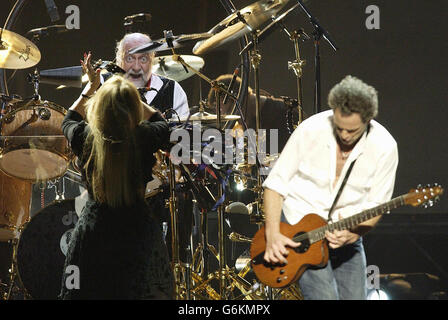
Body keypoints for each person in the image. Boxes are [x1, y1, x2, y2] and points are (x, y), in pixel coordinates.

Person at [262, 75, 399, 300]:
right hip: (300, 230)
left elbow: (377, 205)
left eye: (352, 131)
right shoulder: (310, 130)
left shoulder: (384, 147)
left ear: (368, 120)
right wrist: (273, 233)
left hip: (347, 235)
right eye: (339, 128)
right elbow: (275, 185)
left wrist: (354, 234)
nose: (344, 135)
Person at [59, 53, 173, 299]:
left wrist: (92, 87)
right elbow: (163, 124)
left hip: (94, 233)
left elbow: (68, 120)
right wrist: (128, 96)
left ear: (98, 107)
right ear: (134, 108)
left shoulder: (85, 137)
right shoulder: (144, 136)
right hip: (138, 232)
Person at [206, 74, 302, 153]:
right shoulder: (241, 128)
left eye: (230, 111)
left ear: (235, 99)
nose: (237, 121)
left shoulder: (285, 112)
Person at [113, 32, 190, 119]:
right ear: (119, 60)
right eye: (129, 58)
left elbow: (182, 130)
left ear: (152, 59)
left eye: (143, 59)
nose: (136, 67)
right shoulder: (106, 87)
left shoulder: (172, 89)